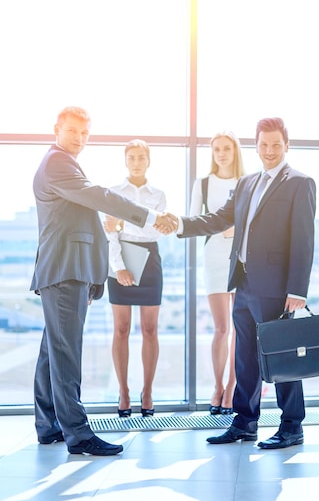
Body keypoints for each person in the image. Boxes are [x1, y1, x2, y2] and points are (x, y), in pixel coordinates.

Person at [31, 106, 176, 456]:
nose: (79, 138)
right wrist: (148, 215)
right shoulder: (57, 163)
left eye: (84, 133)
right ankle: (78, 434)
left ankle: (48, 424)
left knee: (53, 351)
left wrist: (95, 275)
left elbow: (83, 219)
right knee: (66, 353)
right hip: (65, 270)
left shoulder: (63, 163)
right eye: (72, 131)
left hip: (68, 269)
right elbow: (99, 198)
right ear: (57, 130)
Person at [177, 117, 316, 449]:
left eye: (275, 145)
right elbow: (218, 218)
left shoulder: (300, 182)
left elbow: (304, 239)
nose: (269, 151)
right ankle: (244, 422)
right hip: (243, 281)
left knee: (280, 357)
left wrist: (298, 289)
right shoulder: (247, 183)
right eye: (263, 144)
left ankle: (292, 425)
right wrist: (180, 225)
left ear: (287, 146)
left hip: (277, 286)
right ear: (256, 145)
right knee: (245, 356)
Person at [103, 139, 166, 418]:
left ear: (148, 161)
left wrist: (123, 221)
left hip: (150, 260)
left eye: (141, 157)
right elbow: (109, 232)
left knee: (150, 329)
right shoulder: (114, 192)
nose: (137, 162)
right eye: (132, 157)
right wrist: (119, 267)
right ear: (125, 160)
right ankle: (125, 392)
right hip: (121, 258)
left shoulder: (159, 194)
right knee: (122, 329)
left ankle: (148, 392)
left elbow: (159, 229)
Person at [190, 131, 245, 416]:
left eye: (226, 148)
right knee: (221, 328)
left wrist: (236, 230)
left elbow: (256, 222)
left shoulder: (247, 182)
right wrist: (219, 227)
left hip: (241, 258)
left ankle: (234, 385)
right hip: (213, 258)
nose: (221, 154)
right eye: (216, 149)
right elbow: (193, 221)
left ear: (235, 151)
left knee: (239, 328)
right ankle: (218, 385)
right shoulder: (203, 184)